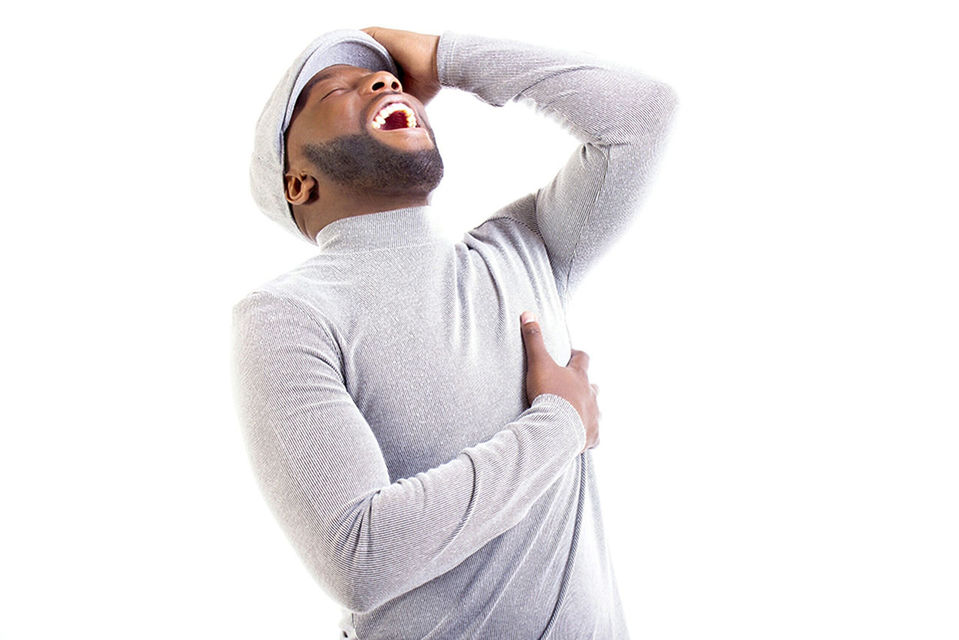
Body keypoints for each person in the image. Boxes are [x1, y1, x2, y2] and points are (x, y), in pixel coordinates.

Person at [232, 25, 677, 639]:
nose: (383, 81)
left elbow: (643, 115)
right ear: (297, 183)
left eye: (386, 78)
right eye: (336, 89)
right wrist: (559, 424)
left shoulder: (524, 248)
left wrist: (448, 58)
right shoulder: (286, 315)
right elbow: (359, 556)